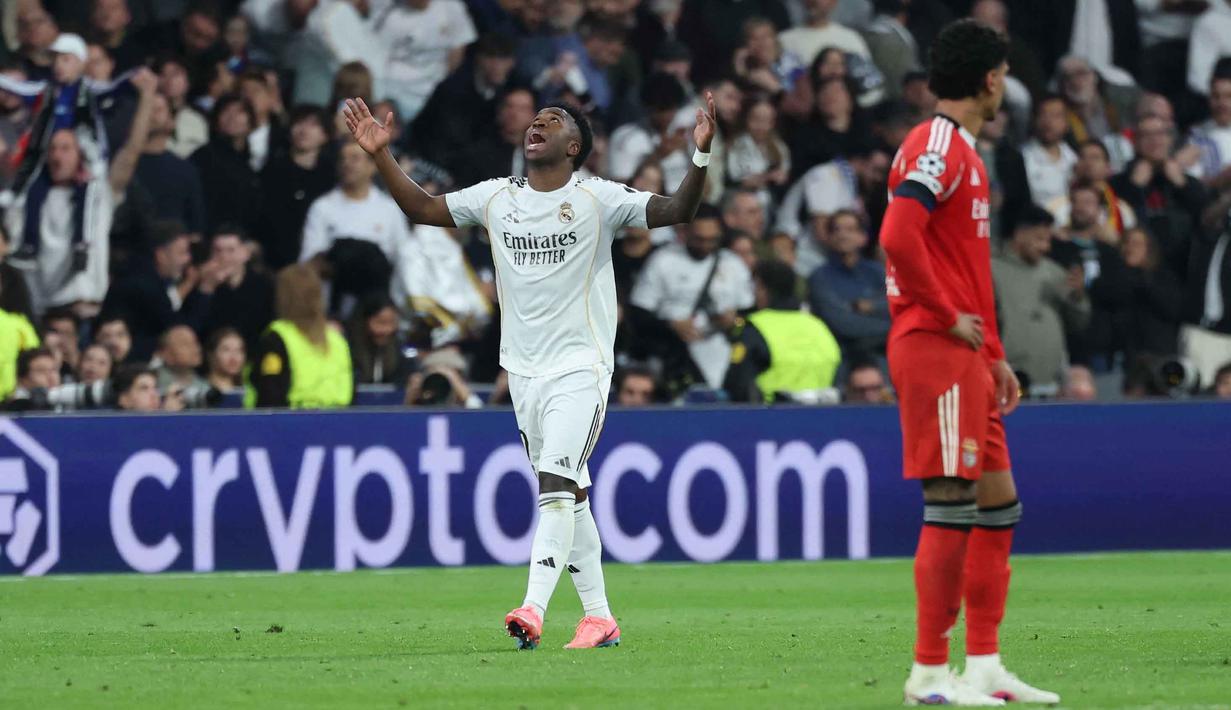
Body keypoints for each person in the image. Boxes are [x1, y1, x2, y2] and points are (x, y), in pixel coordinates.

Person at [342, 82, 717, 649]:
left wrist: (701, 153)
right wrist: (380, 155)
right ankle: (599, 617)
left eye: (553, 120)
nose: (537, 124)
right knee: (574, 492)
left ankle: (533, 608)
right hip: (522, 370)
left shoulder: (599, 198)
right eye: (535, 118)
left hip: (580, 365)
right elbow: (422, 208)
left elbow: (680, 209)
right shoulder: (497, 196)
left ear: (574, 147)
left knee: (555, 484)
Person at [877, 19, 1059, 704]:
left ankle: (982, 664)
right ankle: (928, 672)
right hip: (934, 348)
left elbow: (959, 265)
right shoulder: (936, 144)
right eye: (1003, 75)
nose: (1003, 85)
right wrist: (947, 319)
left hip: (967, 354)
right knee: (950, 503)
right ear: (989, 79)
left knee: (997, 504)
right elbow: (897, 234)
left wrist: (993, 353)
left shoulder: (959, 150)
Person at [4, 63, 157, 317]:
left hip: (83, 310)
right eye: (52, 149)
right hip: (40, 310)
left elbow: (131, 152)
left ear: (80, 155)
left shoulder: (99, 194)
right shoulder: (26, 198)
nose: (57, 155)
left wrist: (147, 98)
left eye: (65, 148)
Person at [630, 204, 755, 390]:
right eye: (699, 239)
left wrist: (733, 321)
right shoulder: (663, 261)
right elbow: (638, 314)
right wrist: (671, 325)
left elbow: (751, 312)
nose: (706, 245)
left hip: (725, 357)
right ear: (685, 232)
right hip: (676, 357)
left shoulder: (733, 264)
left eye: (712, 240)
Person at [991, 205, 1091, 396]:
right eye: (1039, 239)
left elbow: (1079, 324)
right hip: (1010, 382)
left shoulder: (1054, 272)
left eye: (1048, 240)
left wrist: (1078, 297)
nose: (1046, 247)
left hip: (1054, 384)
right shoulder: (992, 270)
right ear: (1019, 234)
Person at [724, 258, 841, 403]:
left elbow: (737, 383)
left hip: (770, 417)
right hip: (824, 415)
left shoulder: (755, 327)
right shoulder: (818, 325)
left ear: (762, 287)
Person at [101, 222, 221, 362]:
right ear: (161, 255)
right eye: (182, 252)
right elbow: (181, 334)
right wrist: (205, 289)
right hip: (131, 364)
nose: (188, 259)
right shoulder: (143, 285)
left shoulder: (145, 276)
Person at [246, 264, 353, 409]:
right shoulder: (337, 339)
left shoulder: (277, 338)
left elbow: (270, 392)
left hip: (291, 424)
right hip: (339, 422)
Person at [257, 105, 336, 270]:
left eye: (314, 124)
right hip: (271, 258)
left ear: (326, 135)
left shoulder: (331, 177)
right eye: (299, 122)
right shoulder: (272, 170)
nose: (304, 130)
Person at [807, 209, 890, 361]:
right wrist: (893, 329)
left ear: (863, 237)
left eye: (850, 230)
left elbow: (898, 308)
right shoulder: (820, 277)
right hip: (843, 356)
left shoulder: (877, 271)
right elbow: (842, 324)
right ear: (829, 237)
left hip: (885, 352)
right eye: (836, 230)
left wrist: (871, 307)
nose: (842, 235)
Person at [200, 226, 274, 353]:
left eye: (231, 250)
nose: (224, 257)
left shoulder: (265, 287)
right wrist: (206, 290)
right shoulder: (203, 288)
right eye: (218, 251)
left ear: (245, 254)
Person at [347, 293, 413, 385]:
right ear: (364, 322)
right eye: (380, 323)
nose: (386, 330)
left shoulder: (399, 349)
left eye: (391, 322)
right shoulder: (347, 350)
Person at [154, 324, 206, 393]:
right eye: (185, 344)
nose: (195, 349)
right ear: (166, 354)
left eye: (195, 342)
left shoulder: (205, 387)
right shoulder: (152, 382)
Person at [204, 326, 244, 393]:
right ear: (211, 354)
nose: (234, 357)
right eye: (226, 350)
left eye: (239, 350)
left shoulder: (248, 390)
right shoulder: (199, 390)